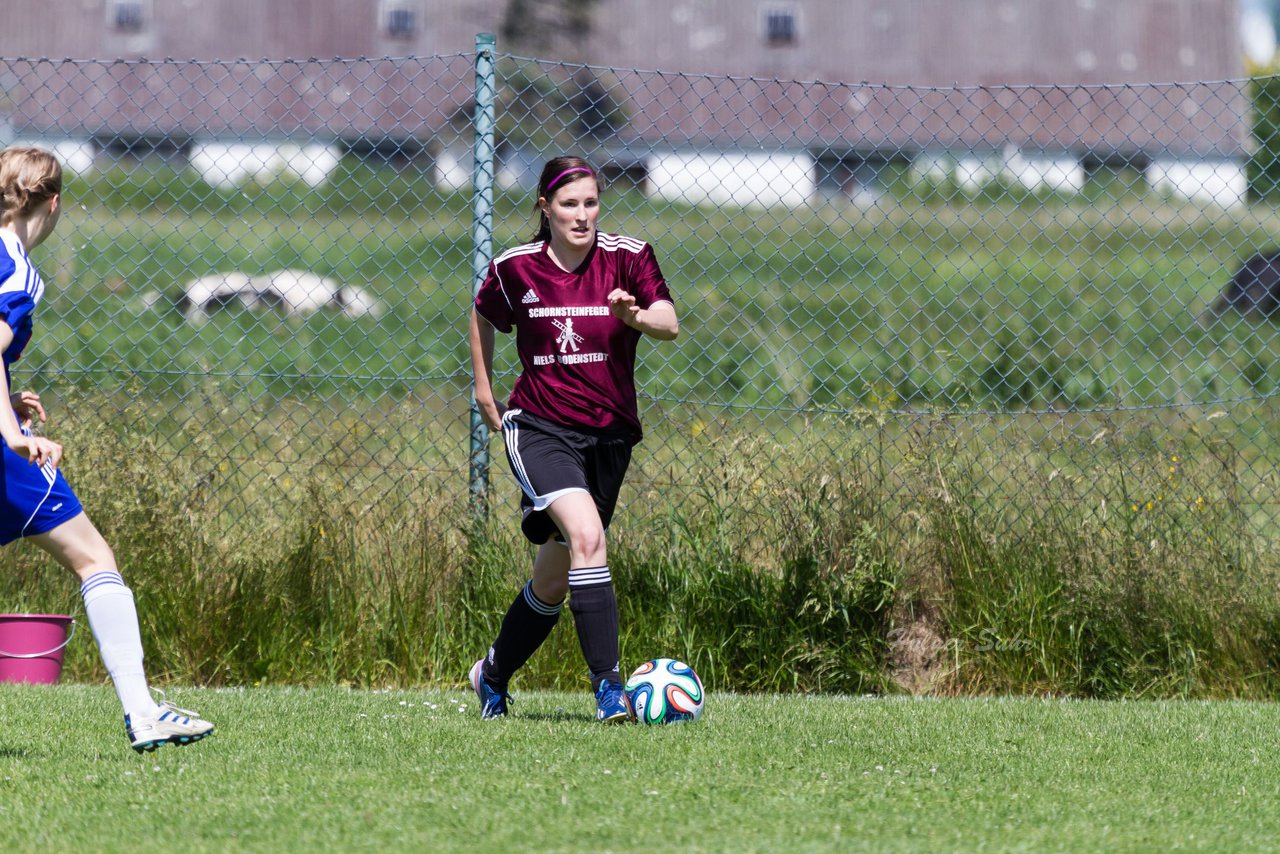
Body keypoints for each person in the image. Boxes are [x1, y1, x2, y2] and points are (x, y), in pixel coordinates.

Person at [0, 146, 213, 752]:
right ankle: (144, 712)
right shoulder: (15, 268)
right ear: (53, 202)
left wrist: (8, 398)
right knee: (94, 557)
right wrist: (14, 434)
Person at [468, 155, 678, 722]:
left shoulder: (629, 258)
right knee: (588, 538)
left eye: (590, 203)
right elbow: (483, 312)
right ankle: (609, 690)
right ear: (545, 208)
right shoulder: (517, 268)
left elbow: (669, 322)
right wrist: (486, 390)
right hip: (540, 429)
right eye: (568, 205)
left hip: (609, 437)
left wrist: (635, 317)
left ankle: (490, 675)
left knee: (555, 577)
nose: (581, 216)